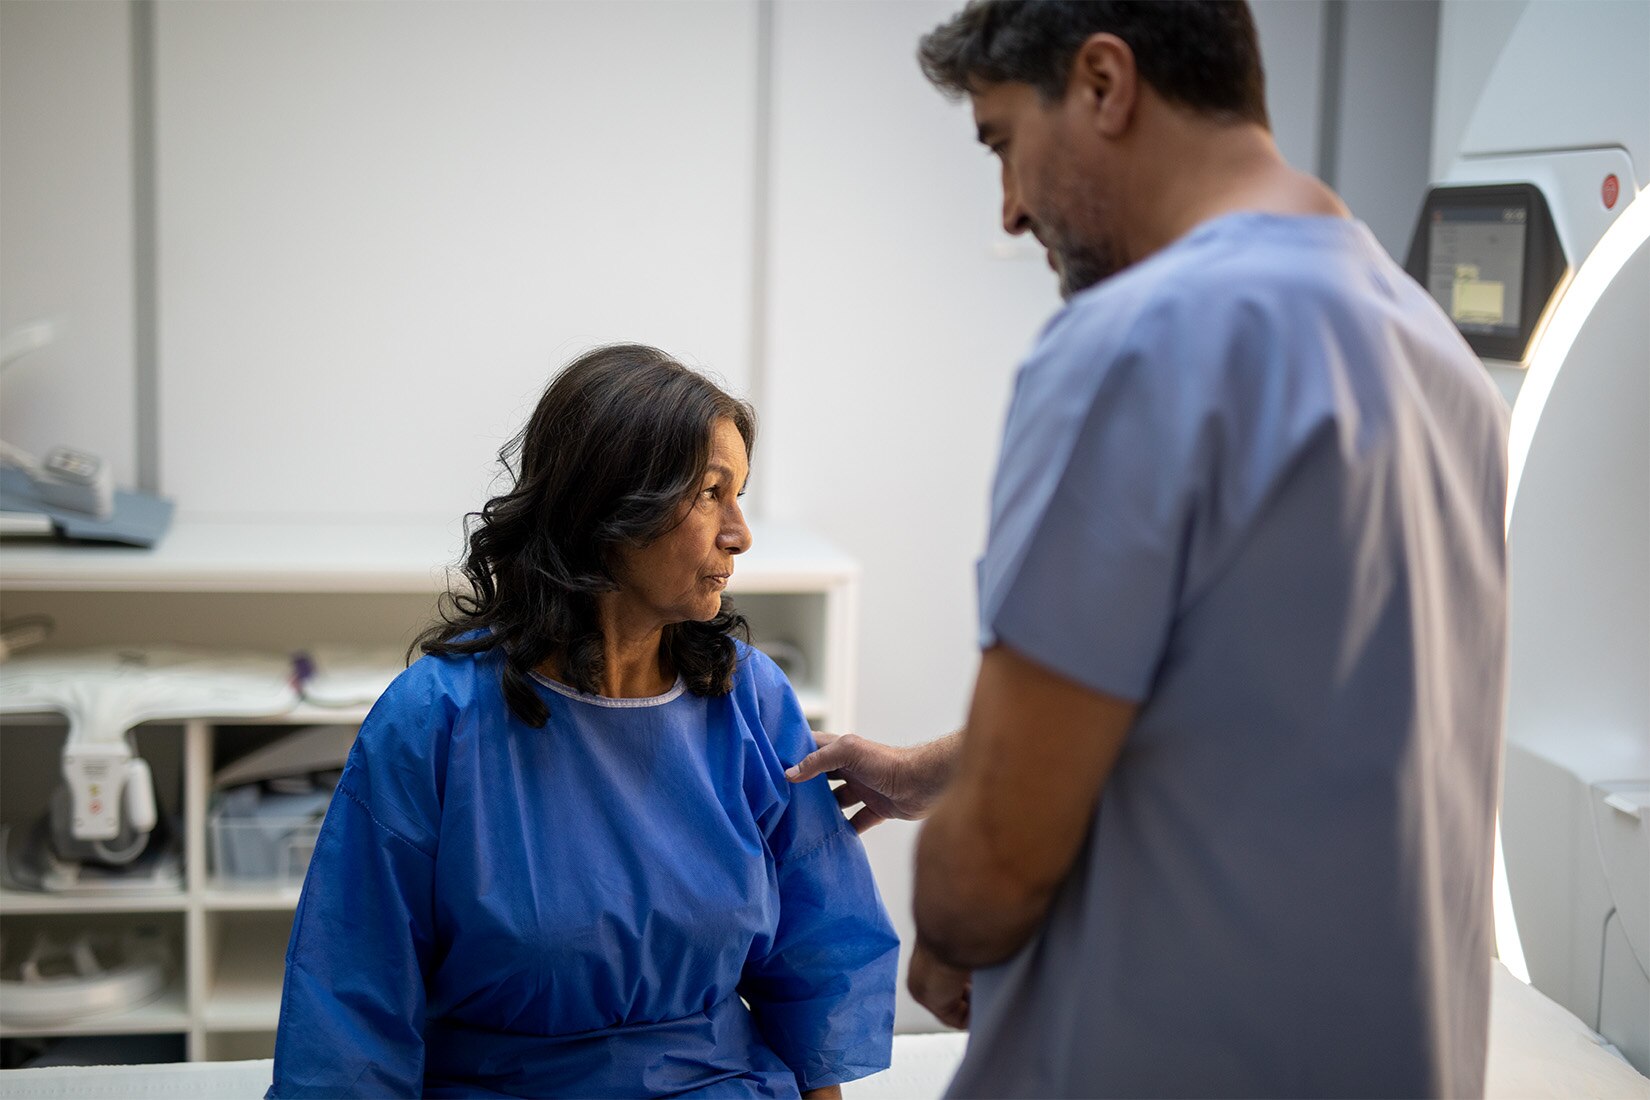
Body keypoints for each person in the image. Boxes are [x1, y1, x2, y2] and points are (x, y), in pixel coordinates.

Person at [788, 2, 1509, 1096]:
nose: (1011, 207)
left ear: (1104, 84)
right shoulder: (1435, 354)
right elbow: (1264, 702)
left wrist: (945, 915)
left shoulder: (1138, 343)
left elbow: (991, 869)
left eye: (1003, 145)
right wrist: (934, 772)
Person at [268, 345, 899, 1098]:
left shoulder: (750, 701)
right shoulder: (433, 721)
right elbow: (352, 999)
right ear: (611, 505)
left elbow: (817, 954)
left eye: (740, 495)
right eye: (711, 493)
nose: (740, 532)